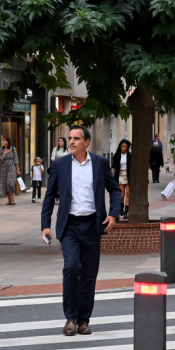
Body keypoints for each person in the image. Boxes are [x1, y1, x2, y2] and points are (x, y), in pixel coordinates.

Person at [42, 125, 120, 336]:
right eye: (70, 138)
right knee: (72, 267)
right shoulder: (59, 164)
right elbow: (50, 196)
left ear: (86, 142)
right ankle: (70, 317)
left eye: (76, 138)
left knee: (88, 275)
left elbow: (115, 189)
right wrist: (46, 225)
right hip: (69, 226)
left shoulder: (100, 163)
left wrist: (113, 214)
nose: (72, 142)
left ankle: (84, 319)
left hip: (93, 226)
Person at [110, 140, 131, 216]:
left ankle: (126, 211)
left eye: (126, 147)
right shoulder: (117, 155)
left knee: (128, 193)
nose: (124, 148)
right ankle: (121, 209)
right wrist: (111, 176)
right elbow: (114, 167)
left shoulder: (129, 155)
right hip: (120, 175)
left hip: (128, 175)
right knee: (121, 194)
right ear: (120, 146)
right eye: (123, 146)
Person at [0, 136, 21, 205]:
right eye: (2, 141)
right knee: (5, 183)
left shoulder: (13, 149)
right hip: (4, 168)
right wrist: (4, 154)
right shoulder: (1, 150)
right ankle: (9, 200)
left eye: (4, 140)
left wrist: (18, 169)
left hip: (11, 167)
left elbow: (16, 159)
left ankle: (12, 199)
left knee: (10, 183)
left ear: (7, 141)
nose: (2, 142)